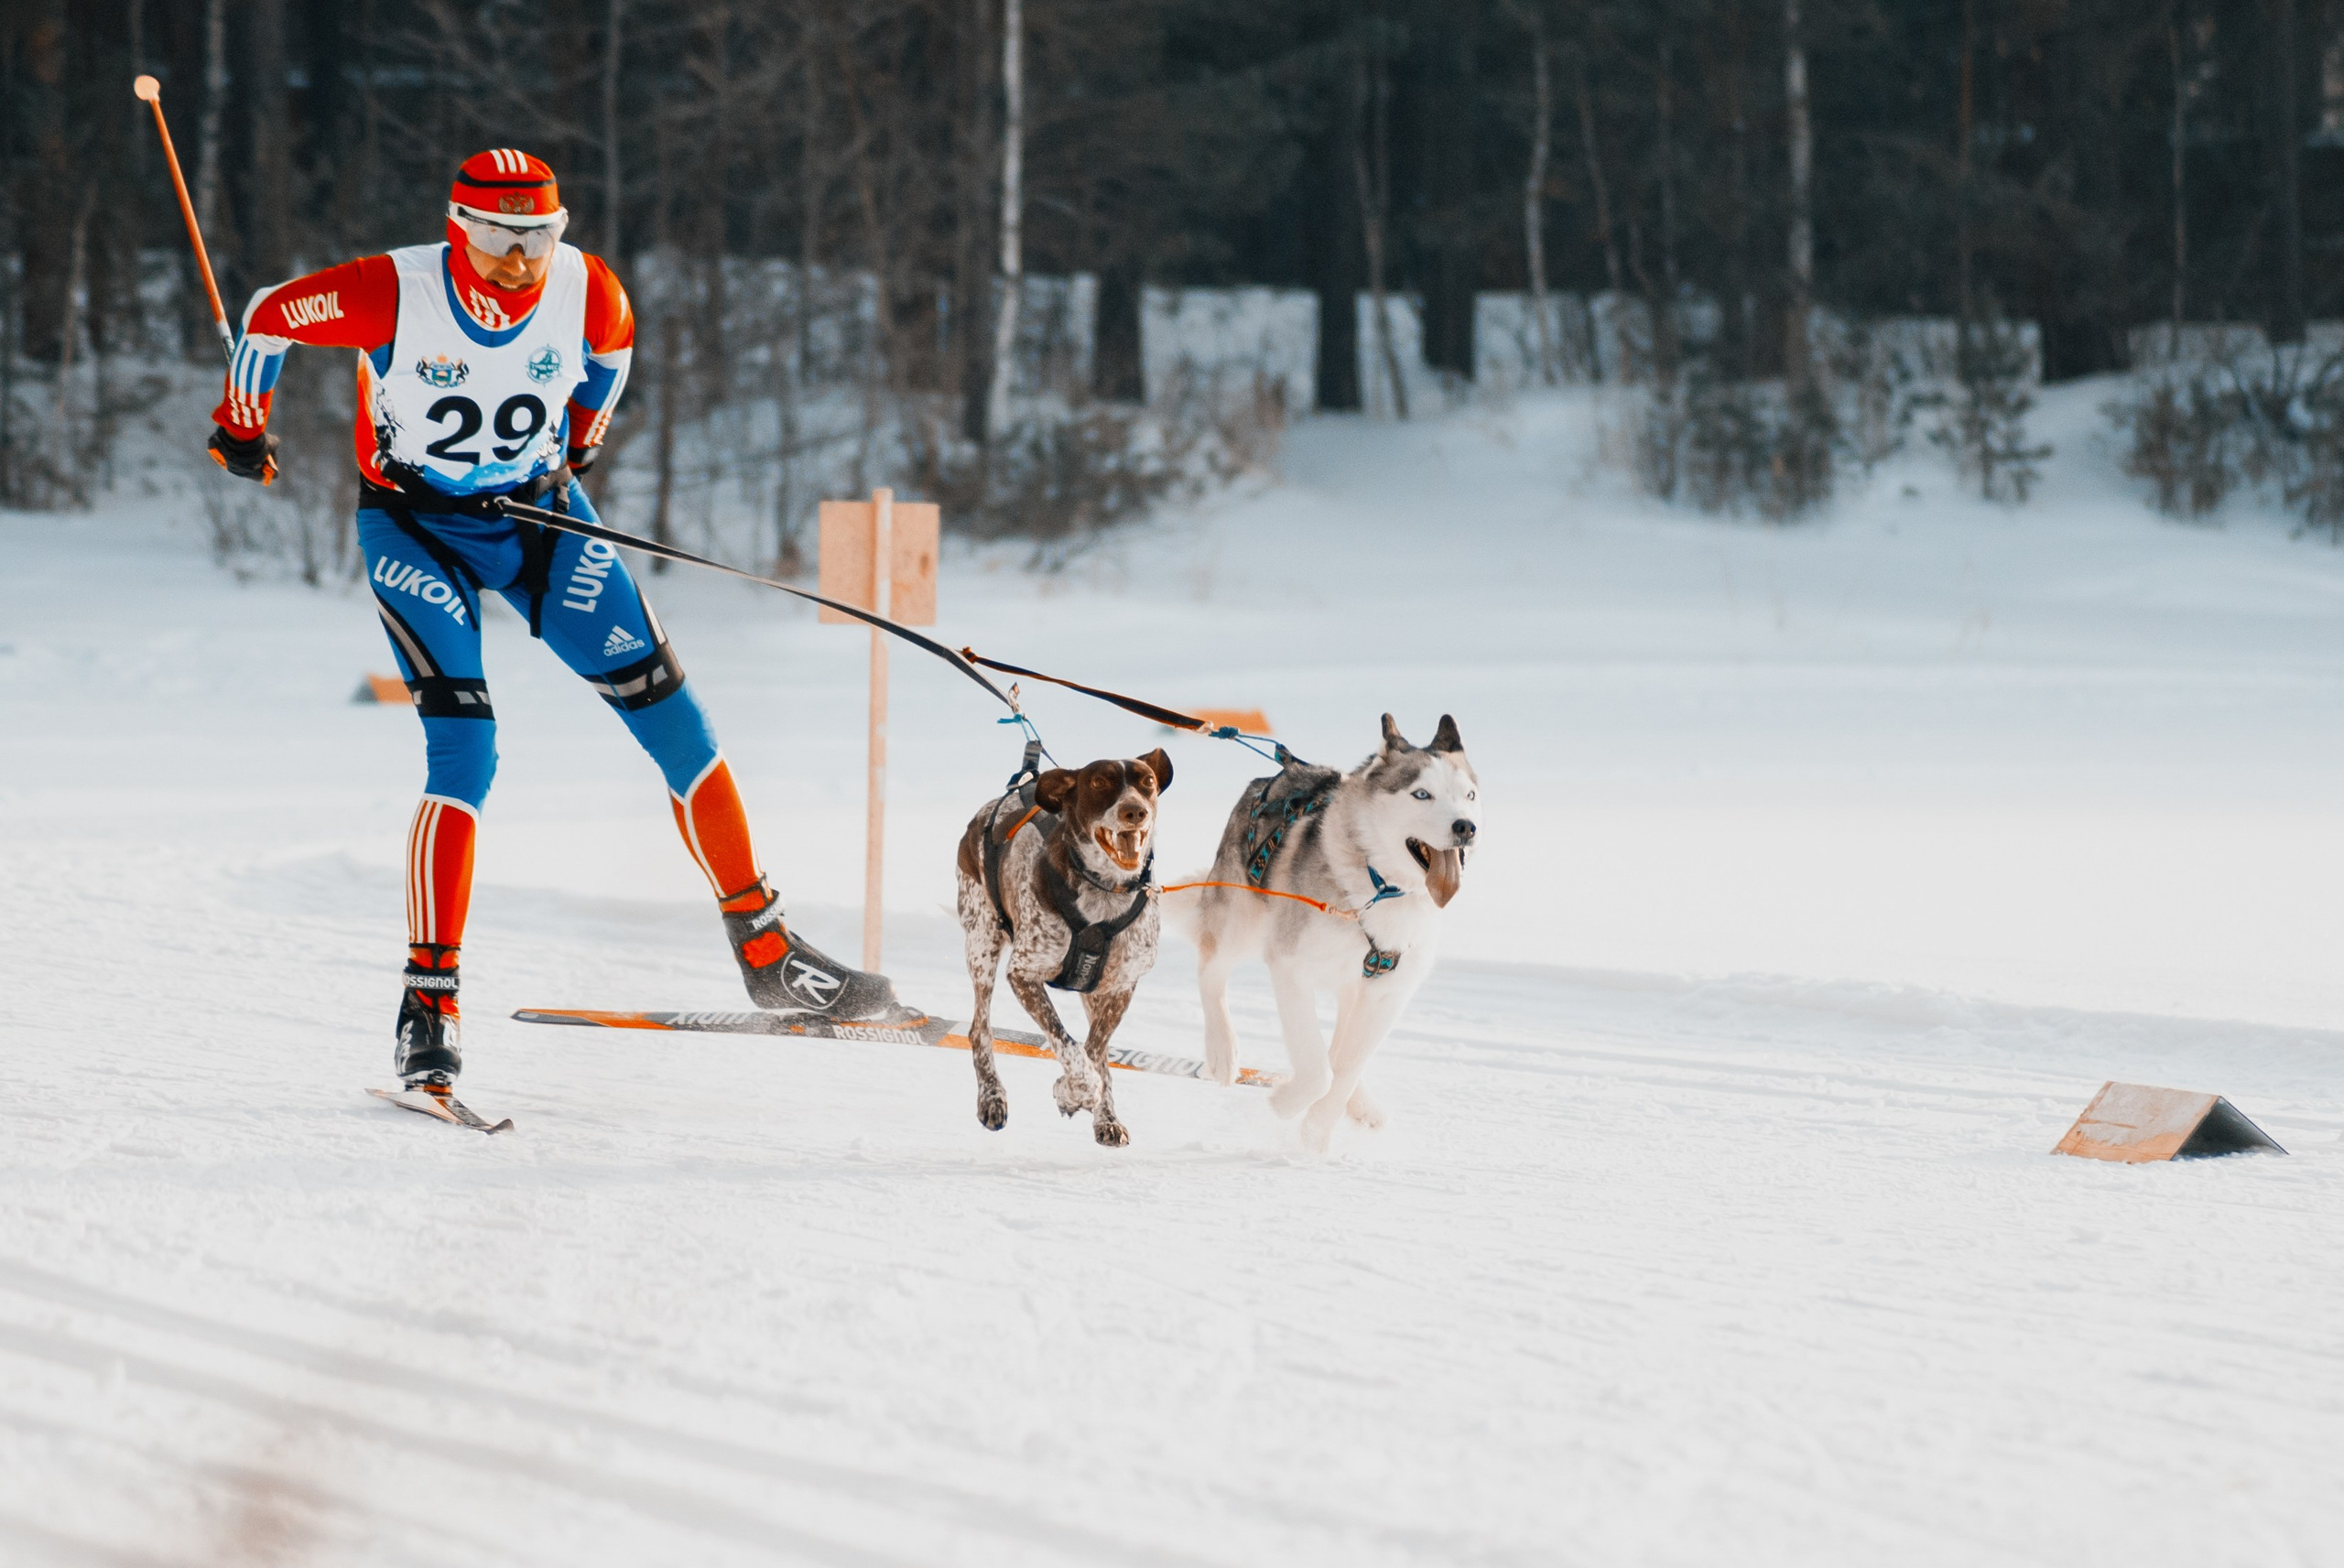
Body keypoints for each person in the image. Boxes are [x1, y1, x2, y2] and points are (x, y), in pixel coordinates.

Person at [206, 147, 918, 1092]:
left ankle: (766, 950)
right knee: (466, 751)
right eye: (501, 241)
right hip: (413, 527)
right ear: (461, 230)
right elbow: (265, 315)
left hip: (534, 518)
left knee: (679, 725)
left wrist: (561, 464)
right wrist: (243, 421)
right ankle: (430, 1002)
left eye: (539, 237)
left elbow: (599, 393)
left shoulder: (592, 294)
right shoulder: (393, 289)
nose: (520, 261)